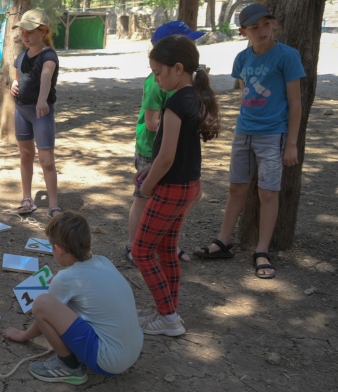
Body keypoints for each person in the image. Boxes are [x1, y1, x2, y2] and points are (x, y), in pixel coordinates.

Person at [192, 3, 304, 280]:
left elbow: (295, 102)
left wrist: (291, 143)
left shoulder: (287, 57)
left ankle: (262, 250)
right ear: (244, 31)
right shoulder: (242, 59)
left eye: (266, 24)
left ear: (274, 24)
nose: (262, 31)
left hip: (273, 134)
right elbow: (246, 96)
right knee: (236, 188)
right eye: (254, 27)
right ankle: (222, 241)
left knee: (268, 192)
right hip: (244, 132)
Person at [134, 35, 221, 336]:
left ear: (178, 68)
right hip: (189, 186)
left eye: (158, 73)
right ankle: (165, 308)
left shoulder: (174, 103)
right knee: (166, 249)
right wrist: (149, 166)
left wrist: (146, 188)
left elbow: (168, 157)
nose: (156, 79)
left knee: (142, 251)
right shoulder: (192, 96)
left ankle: (168, 317)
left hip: (172, 189)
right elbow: (174, 151)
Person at [2, 212, 143, 385]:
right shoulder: (103, 261)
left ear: (58, 249)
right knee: (64, 302)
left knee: (41, 303)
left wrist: (24, 335)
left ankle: (68, 366)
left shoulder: (66, 278)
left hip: (108, 361)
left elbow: (43, 314)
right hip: (132, 349)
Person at [124, 21, 205, 265]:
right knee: (143, 198)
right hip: (152, 150)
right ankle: (133, 246)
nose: (191, 45)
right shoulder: (156, 83)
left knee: (175, 200)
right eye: (185, 40)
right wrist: (174, 127)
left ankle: (166, 243)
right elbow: (151, 122)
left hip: (172, 153)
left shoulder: (188, 85)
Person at [10, 9, 62, 217]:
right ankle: (26, 198)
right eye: (23, 32)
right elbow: (18, 75)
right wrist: (14, 83)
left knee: (47, 160)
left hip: (41, 113)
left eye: (30, 32)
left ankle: (54, 205)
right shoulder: (21, 55)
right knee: (25, 155)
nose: (25, 36)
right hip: (21, 110)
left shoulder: (49, 55)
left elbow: (46, 77)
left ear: (43, 31)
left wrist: (42, 99)